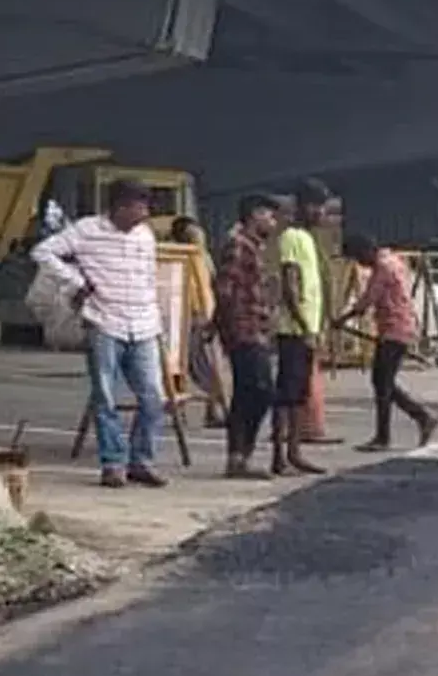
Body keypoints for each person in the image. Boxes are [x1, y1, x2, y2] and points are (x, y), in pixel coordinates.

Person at [30, 177, 170, 490]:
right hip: (105, 321)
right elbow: (43, 252)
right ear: (120, 206)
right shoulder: (86, 230)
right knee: (105, 396)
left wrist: (155, 314)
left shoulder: (144, 237)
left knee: (153, 397)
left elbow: (148, 277)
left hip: (143, 323)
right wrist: (76, 282)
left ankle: (142, 460)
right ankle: (113, 463)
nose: (145, 213)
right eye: (140, 206)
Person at [341, 232, 436, 450]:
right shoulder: (393, 260)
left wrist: (342, 319)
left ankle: (397, 430)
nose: (359, 264)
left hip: (395, 329)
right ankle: (418, 418)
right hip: (397, 327)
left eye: (358, 257)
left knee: (382, 383)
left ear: (365, 251)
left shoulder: (383, 268)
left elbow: (367, 300)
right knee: (383, 382)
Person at [213, 194, 281, 480]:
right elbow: (224, 287)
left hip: (255, 327)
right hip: (244, 329)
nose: (273, 222)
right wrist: (224, 324)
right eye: (269, 215)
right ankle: (239, 454)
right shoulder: (239, 246)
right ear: (255, 214)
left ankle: (240, 455)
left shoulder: (253, 247)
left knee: (251, 392)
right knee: (258, 390)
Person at [270, 178, 331, 477]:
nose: (322, 214)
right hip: (294, 330)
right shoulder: (292, 238)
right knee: (288, 394)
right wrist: (306, 327)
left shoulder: (308, 239)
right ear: (304, 206)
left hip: (308, 327)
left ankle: (292, 451)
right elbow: (290, 286)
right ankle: (285, 453)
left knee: (299, 393)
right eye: (318, 207)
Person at [172, 216, 227, 430]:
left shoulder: (203, 257)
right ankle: (214, 408)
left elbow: (213, 283)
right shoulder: (180, 256)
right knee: (192, 366)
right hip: (188, 316)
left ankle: (215, 410)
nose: (199, 236)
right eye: (194, 233)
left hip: (206, 315)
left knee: (212, 365)